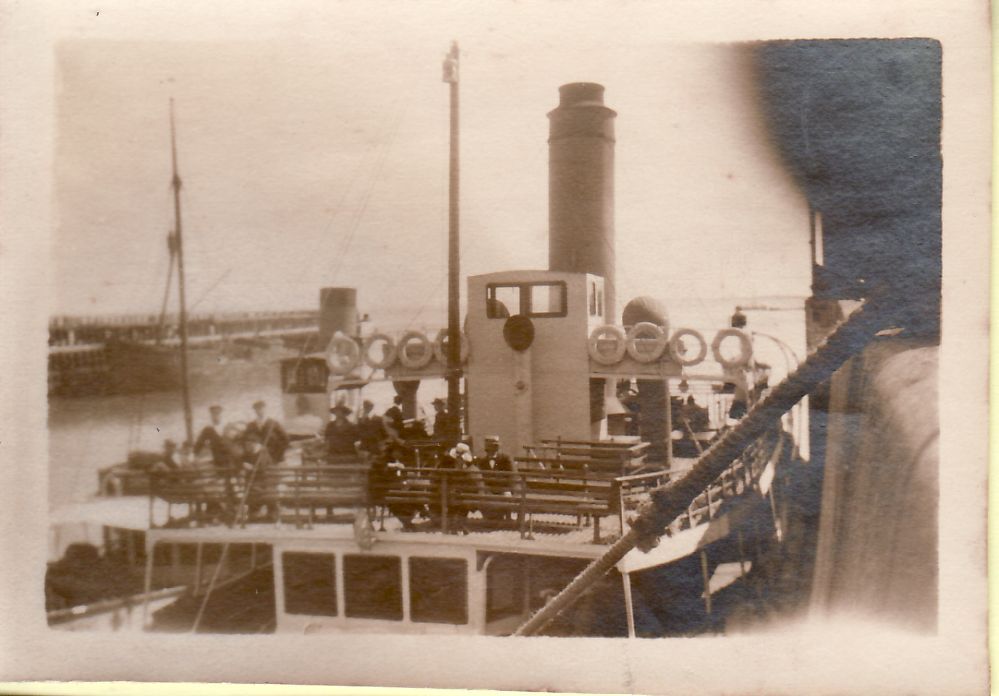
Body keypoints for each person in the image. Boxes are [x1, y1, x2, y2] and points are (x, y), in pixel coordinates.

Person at [476, 435, 515, 521]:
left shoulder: (505, 458)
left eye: (495, 446)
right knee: (483, 496)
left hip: (504, 488)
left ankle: (507, 517)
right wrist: (487, 489)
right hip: (489, 489)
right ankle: (488, 517)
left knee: (506, 496)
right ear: (487, 449)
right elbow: (481, 477)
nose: (493, 450)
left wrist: (506, 488)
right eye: (491, 447)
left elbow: (512, 475)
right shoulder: (482, 461)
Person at [244, 400, 289, 464]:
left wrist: (279, 454)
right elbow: (246, 439)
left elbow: (285, 439)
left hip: (273, 456)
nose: (259, 411)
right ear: (255, 411)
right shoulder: (251, 425)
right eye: (257, 409)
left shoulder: (273, 423)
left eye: (261, 409)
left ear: (265, 409)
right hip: (256, 457)